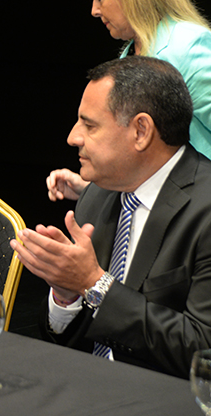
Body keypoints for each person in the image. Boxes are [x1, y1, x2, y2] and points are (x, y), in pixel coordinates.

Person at [12, 56, 211, 378]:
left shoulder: (205, 209)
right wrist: (66, 295)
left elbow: (203, 350)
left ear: (141, 131)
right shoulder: (97, 196)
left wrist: (93, 283)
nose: (73, 137)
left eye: (89, 125)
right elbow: (69, 343)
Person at [46, 0, 211, 202]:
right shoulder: (132, 52)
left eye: (100, 0)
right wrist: (91, 190)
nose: (94, 11)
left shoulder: (187, 47)